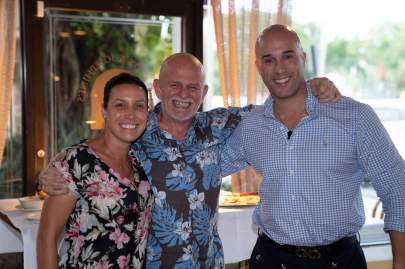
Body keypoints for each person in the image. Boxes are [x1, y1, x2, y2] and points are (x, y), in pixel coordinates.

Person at [39, 53, 341, 268]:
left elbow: (274, 109)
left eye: (193, 87)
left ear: (204, 92)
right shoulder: (135, 133)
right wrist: (46, 173)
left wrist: (311, 87)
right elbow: (88, 160)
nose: (183, 94)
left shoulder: (218, 125)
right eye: (174, 85)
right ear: (157, 89)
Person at [220, 24, 405, 269]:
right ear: (258, 66)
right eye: (269, 60)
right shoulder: (251, 127)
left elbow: (397, 189)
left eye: (288, 56)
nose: (280, 68)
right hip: (271, 259)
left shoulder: (355, 117)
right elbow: (206, 168)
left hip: (340, 261)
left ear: (303, 58)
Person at [37, 73, 154, 269]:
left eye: (139, 105)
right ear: (104, 111)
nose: (130, 114)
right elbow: (46, 238)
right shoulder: (76, 161)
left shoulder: (140, 161)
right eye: (120, 104)